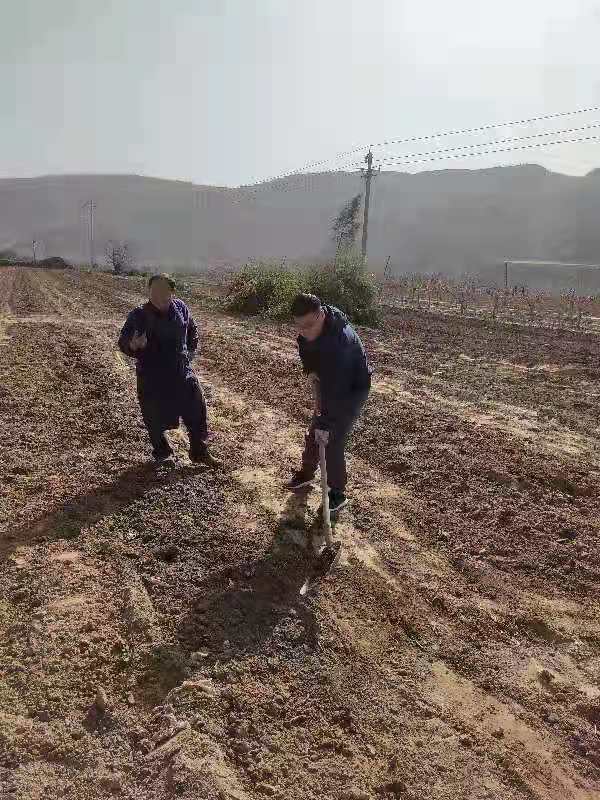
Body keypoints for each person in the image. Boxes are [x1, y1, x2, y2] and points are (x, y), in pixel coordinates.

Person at [118, 273, 221, 467]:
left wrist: (189, 352)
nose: (157, 293)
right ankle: (163, 453)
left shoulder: (181, 308)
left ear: (172, 291)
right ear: (148, 291)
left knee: (196, 409)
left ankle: (199, 451)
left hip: (181, 371)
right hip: (152, 375)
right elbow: (123, 342)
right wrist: (133, 345)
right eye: (153, 289)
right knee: (153, 416)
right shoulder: (139, 315)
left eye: (162, 289)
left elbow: (192, 330)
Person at [285, 293, 372, 513]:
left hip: (352, 389)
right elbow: (305, 349)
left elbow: (336, 394)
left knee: (332, 437)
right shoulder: (309, 330)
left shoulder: (339, 345)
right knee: (315, 431)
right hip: (329, 380)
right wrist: (310, 370)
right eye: (298, 326)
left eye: (307, 325)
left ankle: (337, 494)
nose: (303, 331)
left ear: (321, 315)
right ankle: (306, 473)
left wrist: (324, 418)